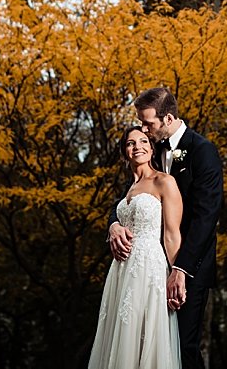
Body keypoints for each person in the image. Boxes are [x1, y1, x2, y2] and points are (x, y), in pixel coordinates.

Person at [108, 87, 223, 369]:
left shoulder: (202, 151)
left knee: (183, 348)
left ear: (168, 118)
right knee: (148, 347)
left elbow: (206, 217)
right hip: (148, 270)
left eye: (148, 123)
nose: (143, 130)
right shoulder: (151, 149)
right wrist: (113, 224)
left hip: (188, 266)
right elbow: (130, 198)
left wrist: (181, 270)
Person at [88, 126, 183, 369]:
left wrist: (178, 276)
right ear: (125, 152)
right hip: (120, 271)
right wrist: (113, 227)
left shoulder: (164, 182)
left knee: (145, 336)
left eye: (143, 141)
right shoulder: (127, 190)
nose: (137, 146)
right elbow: (116, 219)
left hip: (149, 268)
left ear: (151, 149)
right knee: (119, 336)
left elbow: (172, 235)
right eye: (131, 143)